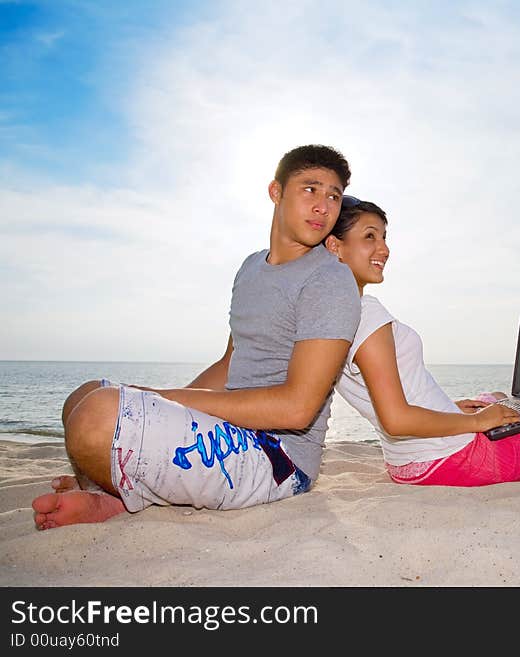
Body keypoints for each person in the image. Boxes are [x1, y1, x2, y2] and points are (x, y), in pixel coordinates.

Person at [32, 145, 362, 529]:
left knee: (96, 416)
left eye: (334, 195)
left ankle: (119, 494)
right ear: (276, 192)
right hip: (233, 431)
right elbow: (229, 365)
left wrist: (162, 400)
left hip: (279, 458)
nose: (323, 206)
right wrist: (161, 410)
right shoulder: (251, 268)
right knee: (82, 396)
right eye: (310, 189)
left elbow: (297, 408)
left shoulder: (330, 279)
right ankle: (117, 492)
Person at [324, 196, 520, 486]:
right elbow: (396, 420)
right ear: (335, 247)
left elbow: (385, 397)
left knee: (496, 399)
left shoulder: (330, 316)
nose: (384, 249)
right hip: (451, 459)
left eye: (384, 237)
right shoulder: (367, 314)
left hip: (407, 466)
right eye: (369, 237)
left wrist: (447, 408)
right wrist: (477, 423)